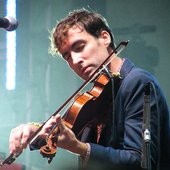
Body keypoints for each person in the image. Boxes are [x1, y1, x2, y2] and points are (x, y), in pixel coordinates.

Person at [8, 8, 170, 170]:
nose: (75, 60)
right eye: (68, 57)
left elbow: (140, 161)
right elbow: (64, 128)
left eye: (79, 47)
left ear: (104, 38)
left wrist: (80, 148)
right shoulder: (98, 92)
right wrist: (33, 129)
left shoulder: (137, 83)